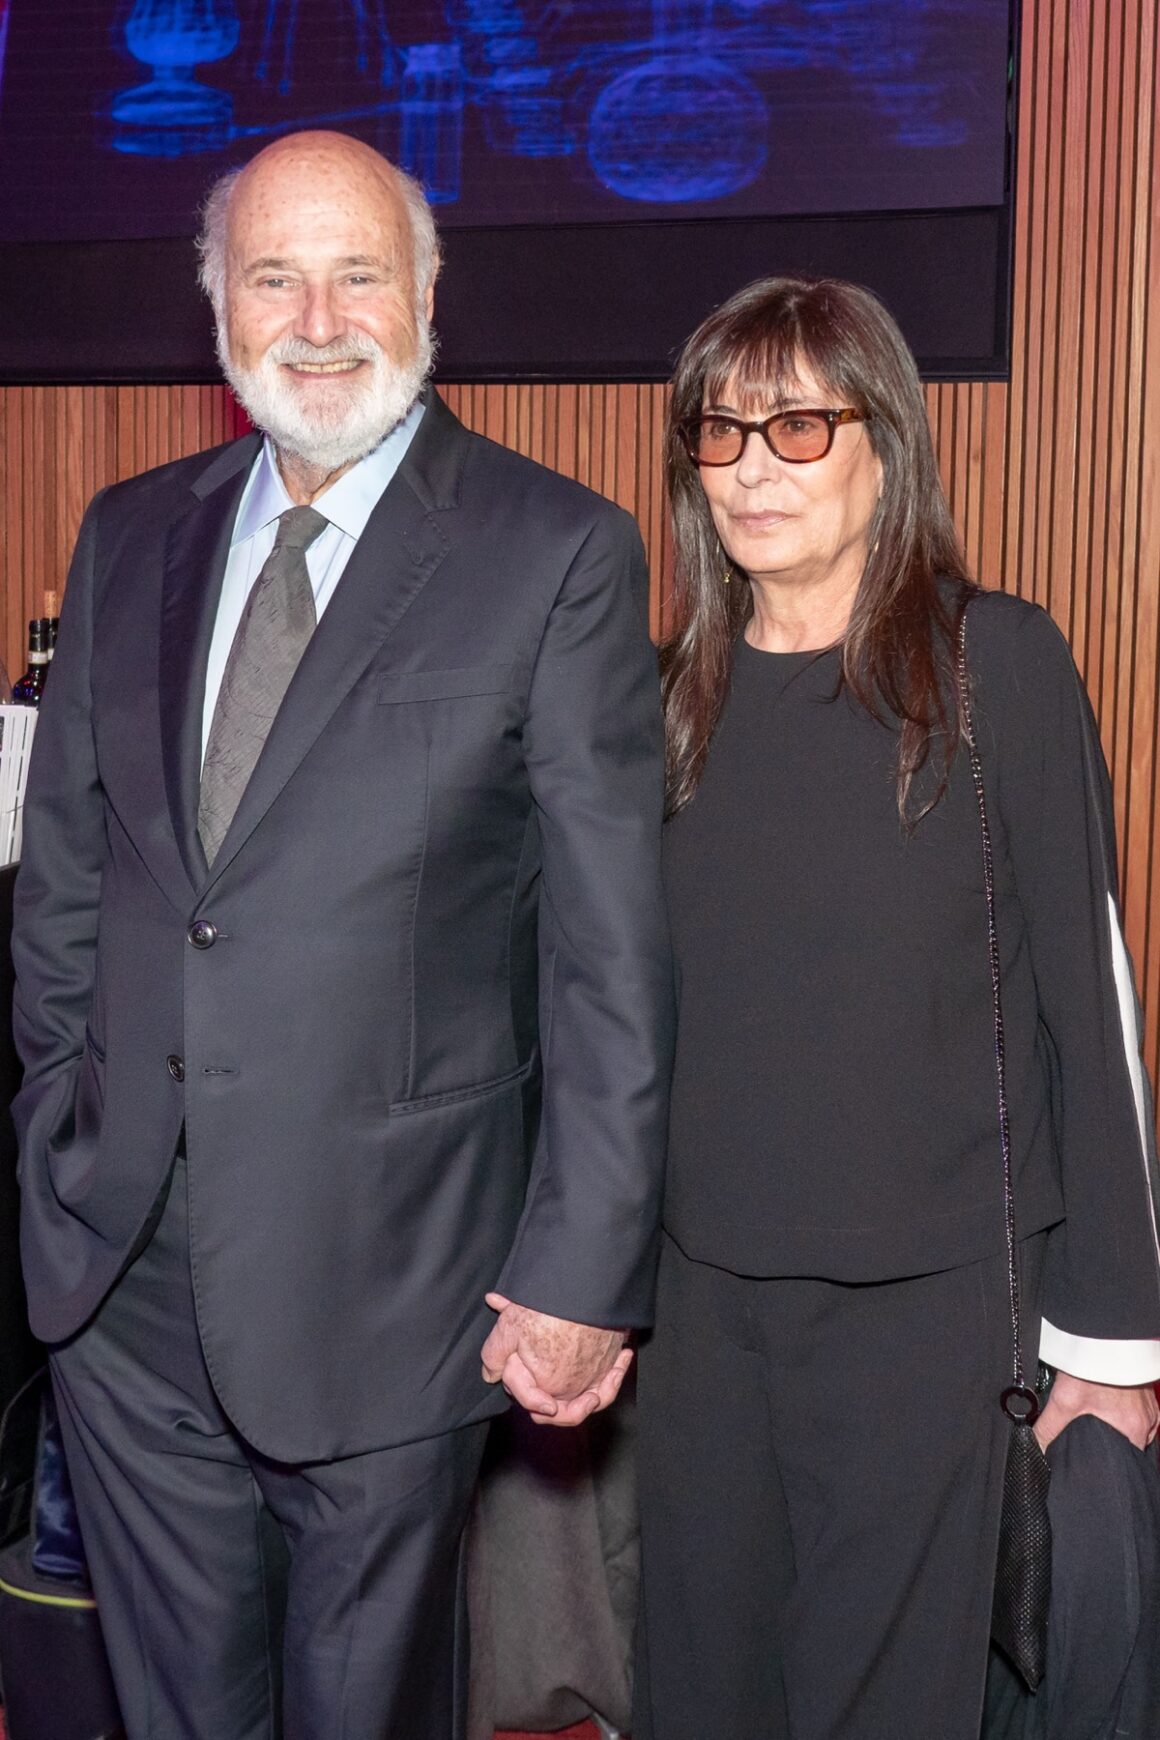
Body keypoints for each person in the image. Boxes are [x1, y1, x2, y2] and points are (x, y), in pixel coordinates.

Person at [12, 130, 673, 1740]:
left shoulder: (554, 551)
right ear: (218, 311)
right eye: (272, 276)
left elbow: (609, 956)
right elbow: (71, 884)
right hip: (123, 1283)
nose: (317, 317)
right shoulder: (128, 534)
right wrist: (52, 1127)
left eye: (357, 271)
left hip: (402, 1284)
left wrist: (582, 1269)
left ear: (429, 296)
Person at [632, 275, 1160, 1740]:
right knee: (703, 1694)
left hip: (933, 1321)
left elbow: (1089, 1007)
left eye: (798, 424)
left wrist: (1113, 1347)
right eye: (718, 431)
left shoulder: (1003, 666)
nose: (748, 466)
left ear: (887, 445)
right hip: (699, 1316)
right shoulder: (659, 695)